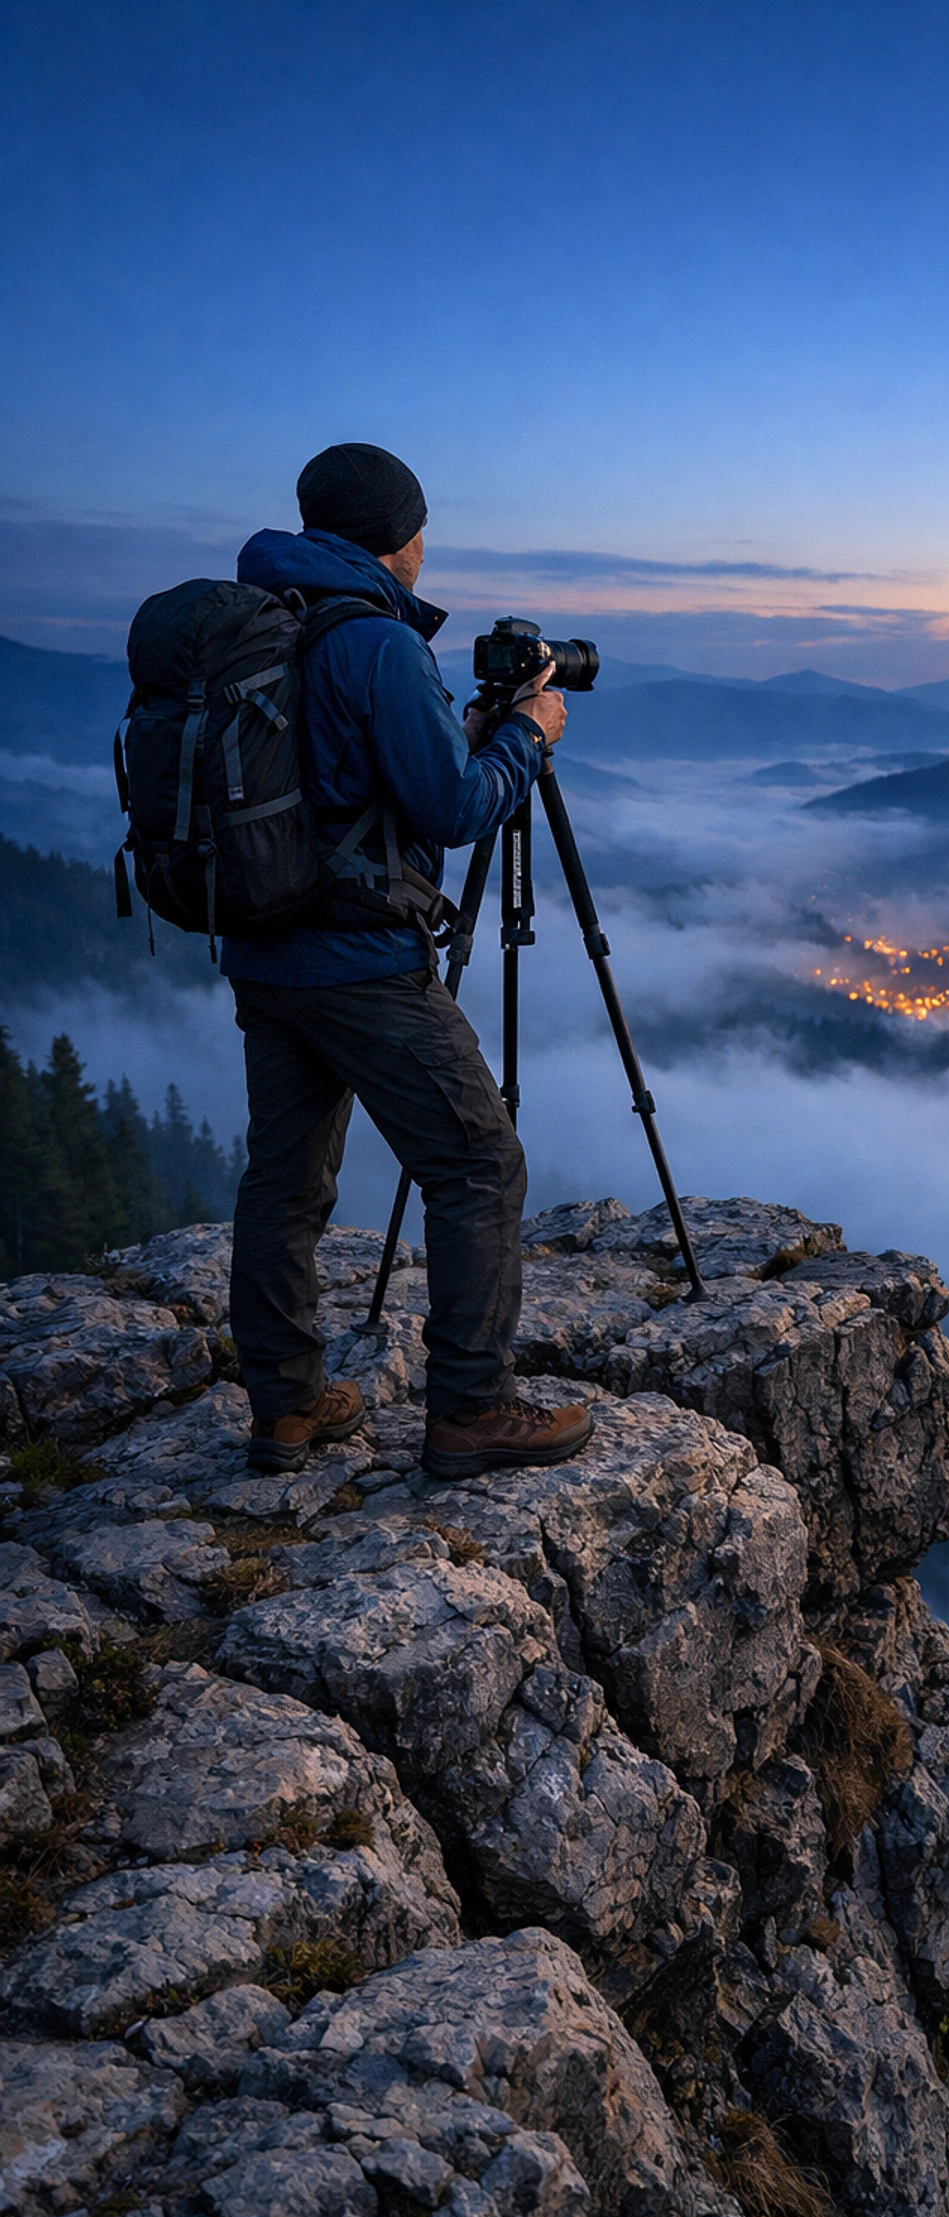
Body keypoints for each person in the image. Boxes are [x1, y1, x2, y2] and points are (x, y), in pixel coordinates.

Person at [224, 442, 593, 1478]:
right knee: (479, 1163)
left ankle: (286, 1407)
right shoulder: (378, 643)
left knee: (285, 1180)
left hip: (264, 953)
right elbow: (455, 807)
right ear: (399, 535)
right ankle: (472, 1409)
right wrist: (525, 736)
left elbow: (338, 776)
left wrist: (460, 726)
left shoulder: (277, 619)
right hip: (358, 964)